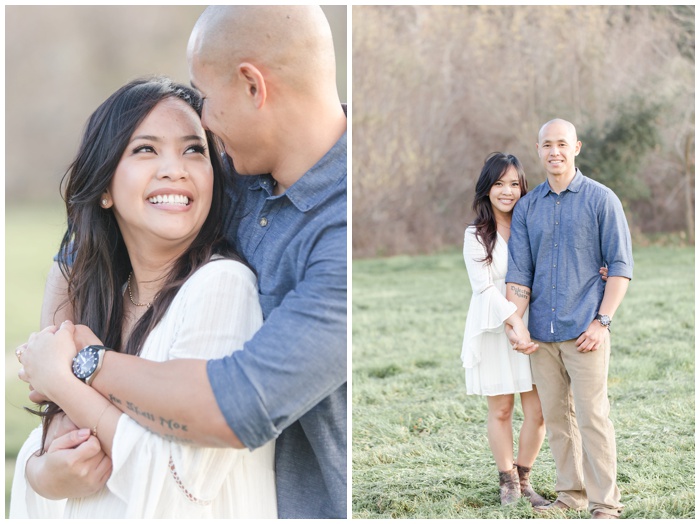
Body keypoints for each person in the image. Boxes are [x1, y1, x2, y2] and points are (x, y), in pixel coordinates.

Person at [19, 5, 347, 519]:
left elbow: (237, 405)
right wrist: (59, 415)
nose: (204, 121)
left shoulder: (341, 232)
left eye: (206, 97)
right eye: (149, 150)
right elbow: (82, 239)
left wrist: (79, 368)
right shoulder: (238, 167)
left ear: (252, 87)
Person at [12, 76, 277, 518]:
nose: (176, 168)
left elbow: (181, 489)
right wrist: (38, 472)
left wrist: (62, 380)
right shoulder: (106, 301)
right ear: (103, 189)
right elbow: (68, 468)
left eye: (194, 149)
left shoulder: (222, 287)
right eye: (146, 149)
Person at [505, 118, 633, 519]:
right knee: (557, 420)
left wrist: (602, 321)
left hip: (585, 332)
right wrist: (518, 323)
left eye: (562, 143)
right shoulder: (527, 207)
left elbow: (620, 266)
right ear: (538, 149)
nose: (554, 151)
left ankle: (605, 504)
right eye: (547, 144)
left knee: (593, 417)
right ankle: (571, 495)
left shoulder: (601, 199)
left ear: (576, 148)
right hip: (541, 335)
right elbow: (520, 274)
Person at [461, 152, 548, 507]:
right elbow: (483, 287)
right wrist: (513, 323)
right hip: (496, 328)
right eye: (499, 184)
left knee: (538, 412)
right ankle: (507, 483)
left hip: (534, 328)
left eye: (514, 184)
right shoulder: (476, 234)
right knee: (500, 410)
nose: (507, 191)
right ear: (487, 189)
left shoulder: (532, 227)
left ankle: (525, 478)